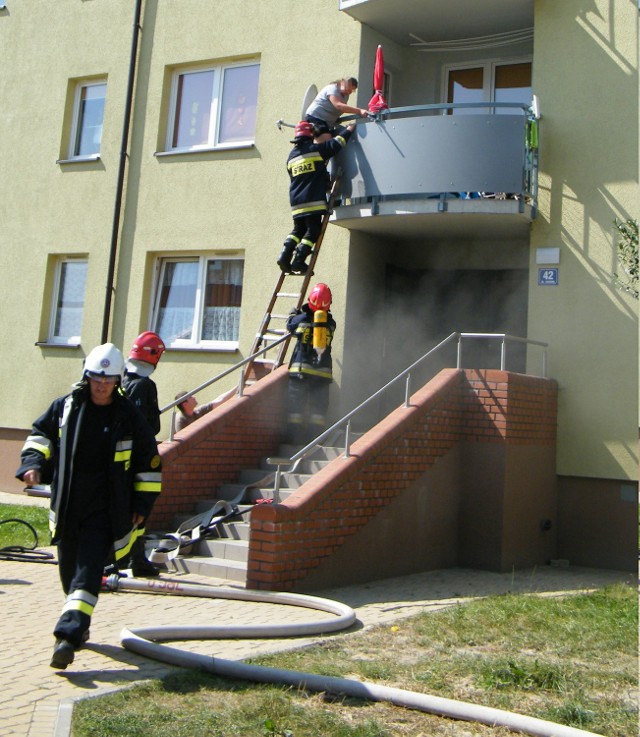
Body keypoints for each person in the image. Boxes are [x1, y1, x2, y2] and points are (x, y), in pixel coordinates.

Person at [15, 343, 162, 670]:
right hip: (70, 507)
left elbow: (148, 462)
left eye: (108, 380)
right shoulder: (66, 408)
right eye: (96, 378)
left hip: (106, 510)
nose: (101, 385)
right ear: (87, 376)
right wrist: (33, 463)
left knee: (88, 573)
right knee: (69, 576)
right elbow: (40, 435)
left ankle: (66, 637)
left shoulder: (128, 417)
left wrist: (142, 502)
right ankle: (78, 627)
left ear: (118, 381)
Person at [277, 121, 355, 275]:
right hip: (313, 201)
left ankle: (284, 256)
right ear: (310, 135)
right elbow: (336, 144)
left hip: (296, 203)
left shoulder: (291, 158)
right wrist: (349, 129)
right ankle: (299, 261)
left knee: (298, 230)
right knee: (313, 231)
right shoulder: (316, 150)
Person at [122, 331, 166, 576]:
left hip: (124, 460)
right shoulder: (145, 386)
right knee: (140, 509)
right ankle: (134, 560)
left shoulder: (123, 382)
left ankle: (126, 558)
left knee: (127, 508)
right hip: (141, 461)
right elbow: (151, 426)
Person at [286, 283, 336, 444]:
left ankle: (295, 441)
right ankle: (315, 441)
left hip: (301, 371)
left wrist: (294, 314)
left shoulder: (302, 319)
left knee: (296, 409)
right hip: (322, 373)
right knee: (318, 412)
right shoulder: (330, 323)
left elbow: (290, 325)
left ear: (310, 300)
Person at [304, 77, 369, 142]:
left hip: (326, 122)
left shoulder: (345, 96)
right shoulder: (332, 88)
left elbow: (340, 108)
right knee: (328, 145)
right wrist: (359, 111)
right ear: (342, 83)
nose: (348, 92)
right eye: (348, 88)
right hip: (316, 117)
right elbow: (339, 106)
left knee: (329, 145)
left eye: (351, 91)